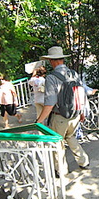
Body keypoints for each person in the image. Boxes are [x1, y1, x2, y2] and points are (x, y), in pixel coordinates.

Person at [36, 46, 90, 174]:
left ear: (52, 61)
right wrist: (82, 111)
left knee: (57, 143)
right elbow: (81, 92)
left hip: (60, 117)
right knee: (70, 136)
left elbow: (50, 103)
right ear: (62, 60)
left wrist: (39, 121)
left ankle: (61, 171)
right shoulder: (74, 73)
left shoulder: (51, 78)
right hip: (75, 114)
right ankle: (84, 161)